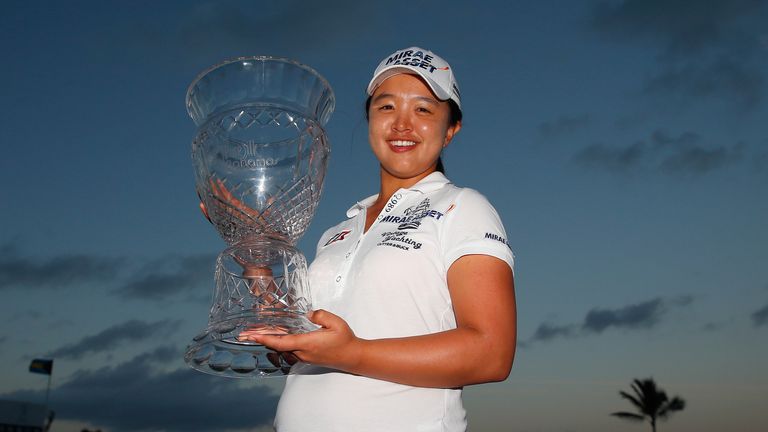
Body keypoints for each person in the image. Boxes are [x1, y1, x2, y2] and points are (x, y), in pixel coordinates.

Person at [224, 46, 516, 431]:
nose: (402, 124)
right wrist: (256, 259)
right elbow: (311, 341)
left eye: (424, 109)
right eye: (386, 106)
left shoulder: (463, 207)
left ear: (451, 130)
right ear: (369, 120)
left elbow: (491, 354)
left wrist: (352, 353)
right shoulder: (336, 233)